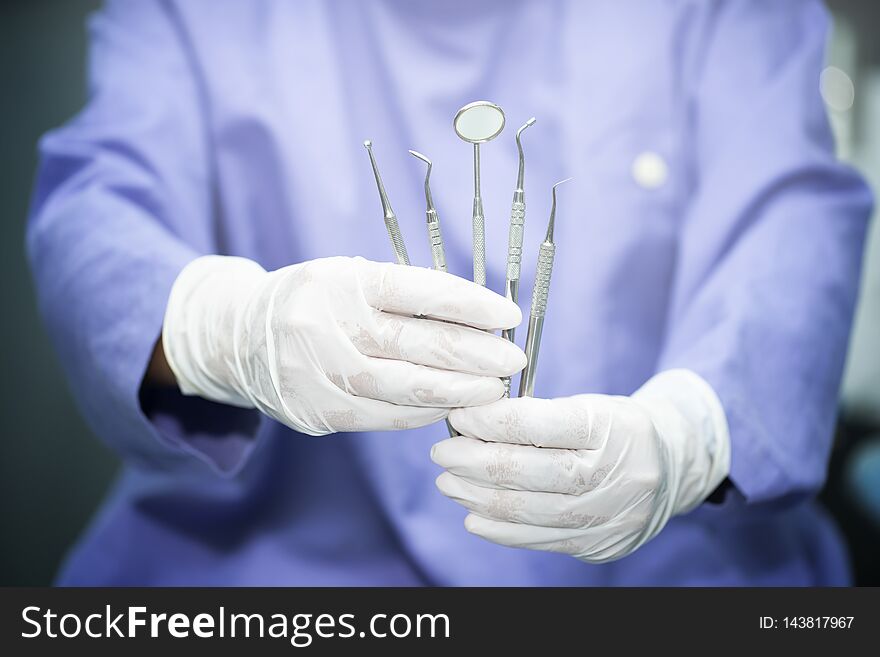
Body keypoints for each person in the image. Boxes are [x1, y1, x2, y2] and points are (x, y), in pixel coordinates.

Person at [28, 0, 871, 585]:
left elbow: (791, 212)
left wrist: (691, 434)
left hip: (669, 577)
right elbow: (98, 203)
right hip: (266, 572)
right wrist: (220, 326)